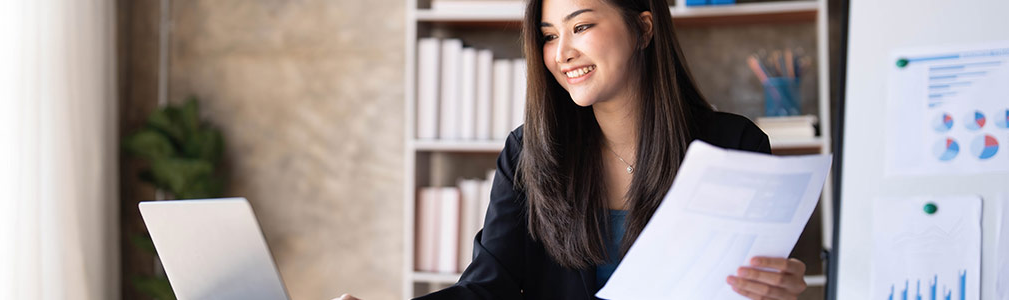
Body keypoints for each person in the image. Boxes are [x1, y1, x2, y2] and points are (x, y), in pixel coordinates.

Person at [336, 0, 809, 299]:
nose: (560, 52)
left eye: (580, 26)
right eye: (548, 35)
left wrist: (780, 293)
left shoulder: (734, 145)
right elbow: (487, 288)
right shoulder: (529, 152)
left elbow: (749, 285)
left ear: (644, 29)